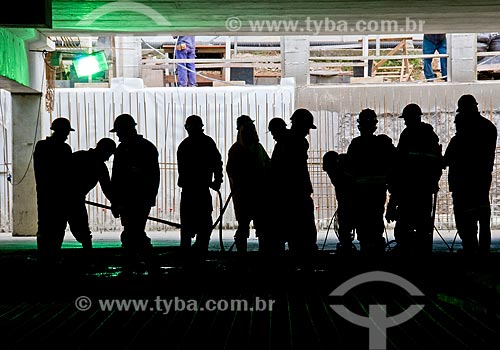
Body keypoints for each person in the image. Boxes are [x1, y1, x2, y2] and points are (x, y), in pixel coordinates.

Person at [444, 94, 497, 256]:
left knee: (466, 217)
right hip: (482, 179)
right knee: (483, 215)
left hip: (463, 182)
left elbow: (447, 158)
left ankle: (470, 249)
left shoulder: (462, 135)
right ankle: (484, 250)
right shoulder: (489, 128)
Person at [387, 103, 443, 257]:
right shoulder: (430, 136)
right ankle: (422, 253)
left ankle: (407, 253)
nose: (405, 122)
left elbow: (399, 165)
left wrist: (394, 198)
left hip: (409, 188)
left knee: (405, 224)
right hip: (425, 188)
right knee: (423, 224)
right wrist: (434, 182)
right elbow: (438, 163)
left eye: (406, 119)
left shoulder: (407, 135)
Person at [109, 114, 160, 274]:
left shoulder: (123, 150)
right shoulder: (147, 147)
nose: (117, 136)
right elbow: (154, 177)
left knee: (132, 233)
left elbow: (116, 178)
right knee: (134, 232)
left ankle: (142, 264)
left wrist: (115, 201)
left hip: (131, 200)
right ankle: (141, 264)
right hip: (140, 199)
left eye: (119, 132)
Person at [346, 109, 396, 256]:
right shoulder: (383, 144)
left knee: (363, 223)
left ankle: (367, 250)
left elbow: (349, 172)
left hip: (360, 193)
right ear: (375, 126)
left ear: (359, 126)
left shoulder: (356, 145)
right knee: (375, 221)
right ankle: (375, 251)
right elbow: (394, 166)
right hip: (377, 191)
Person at [273, 108, 318, 268]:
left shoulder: (284, 142)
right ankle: (304, 264)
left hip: (289, 195)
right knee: (303, 233)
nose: (307, 132)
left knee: (293, 234)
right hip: (296, 195)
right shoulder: (297, 142)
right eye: (306, 127)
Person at [177, 115, 223, 260]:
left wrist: (217, 180)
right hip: (200, 189)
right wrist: (217, 180)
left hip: (192, 190)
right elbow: (217, 163)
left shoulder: (185, 145)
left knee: (189, 225)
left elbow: (216, 163)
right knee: (202, 224)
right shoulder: (207, 143)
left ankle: (190, 254)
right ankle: (198, 252)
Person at [226, 115, 271, 256]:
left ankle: (253, 254)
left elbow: (268, 166)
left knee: (260, 226)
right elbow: (232, 171)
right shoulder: (238, 150)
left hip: (256, 194)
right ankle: (243, 255)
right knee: (246, 226)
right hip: (245, 194)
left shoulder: (256, 148)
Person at [34, 117, 74, 267]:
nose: (66, 136)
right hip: (54, 195)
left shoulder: (43, 147)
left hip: (48, 194)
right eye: (65, 132)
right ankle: (49, 255)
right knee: (52, 226)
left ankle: (48, 256)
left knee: (50, 226)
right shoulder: (62, 149)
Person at [68, 138, 116, 251]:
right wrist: (115, 203)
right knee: (81, 229)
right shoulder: (99, 166)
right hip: (70, 199)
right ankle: (88, 254)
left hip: (70, 198)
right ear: (104, 150)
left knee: (78, 229)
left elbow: (107, 189)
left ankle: (51, 257)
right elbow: (107, 189)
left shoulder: (78, 156)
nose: (109, 158)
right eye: (109, 154)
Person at [322, 151, 356, 255]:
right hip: (345, 201)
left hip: (351, 201)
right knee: (345, 226)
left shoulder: (343, 172)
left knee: (346, 225)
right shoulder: (338, 171)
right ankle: (347, 246)